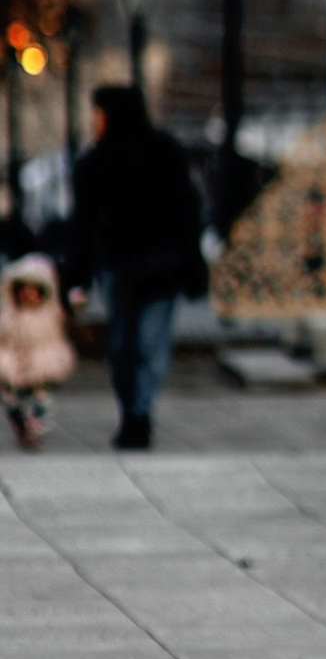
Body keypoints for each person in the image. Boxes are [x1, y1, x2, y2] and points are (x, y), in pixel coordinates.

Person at [61, 86, 206, 451]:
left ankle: (138, 413)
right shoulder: (98, 162)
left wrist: (191, 262)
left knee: (142, 342)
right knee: (129, 343)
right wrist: (76, 273)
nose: (94, 121)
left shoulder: (158, 154)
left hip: (155, 267)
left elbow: (187, 212)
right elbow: (84, 223)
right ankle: (133, 410)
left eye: (99, 113)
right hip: (128, 268)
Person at [2, 255, 76, 450]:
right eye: (23, 291)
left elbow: (69, 310)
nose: (28, 296)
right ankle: (20, 425)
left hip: (41, 364)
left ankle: (33, 429)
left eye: (33, 291)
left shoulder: (51, 314)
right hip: (15, 364)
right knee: (14, 401)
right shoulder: (10, 316)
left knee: (39, 400)